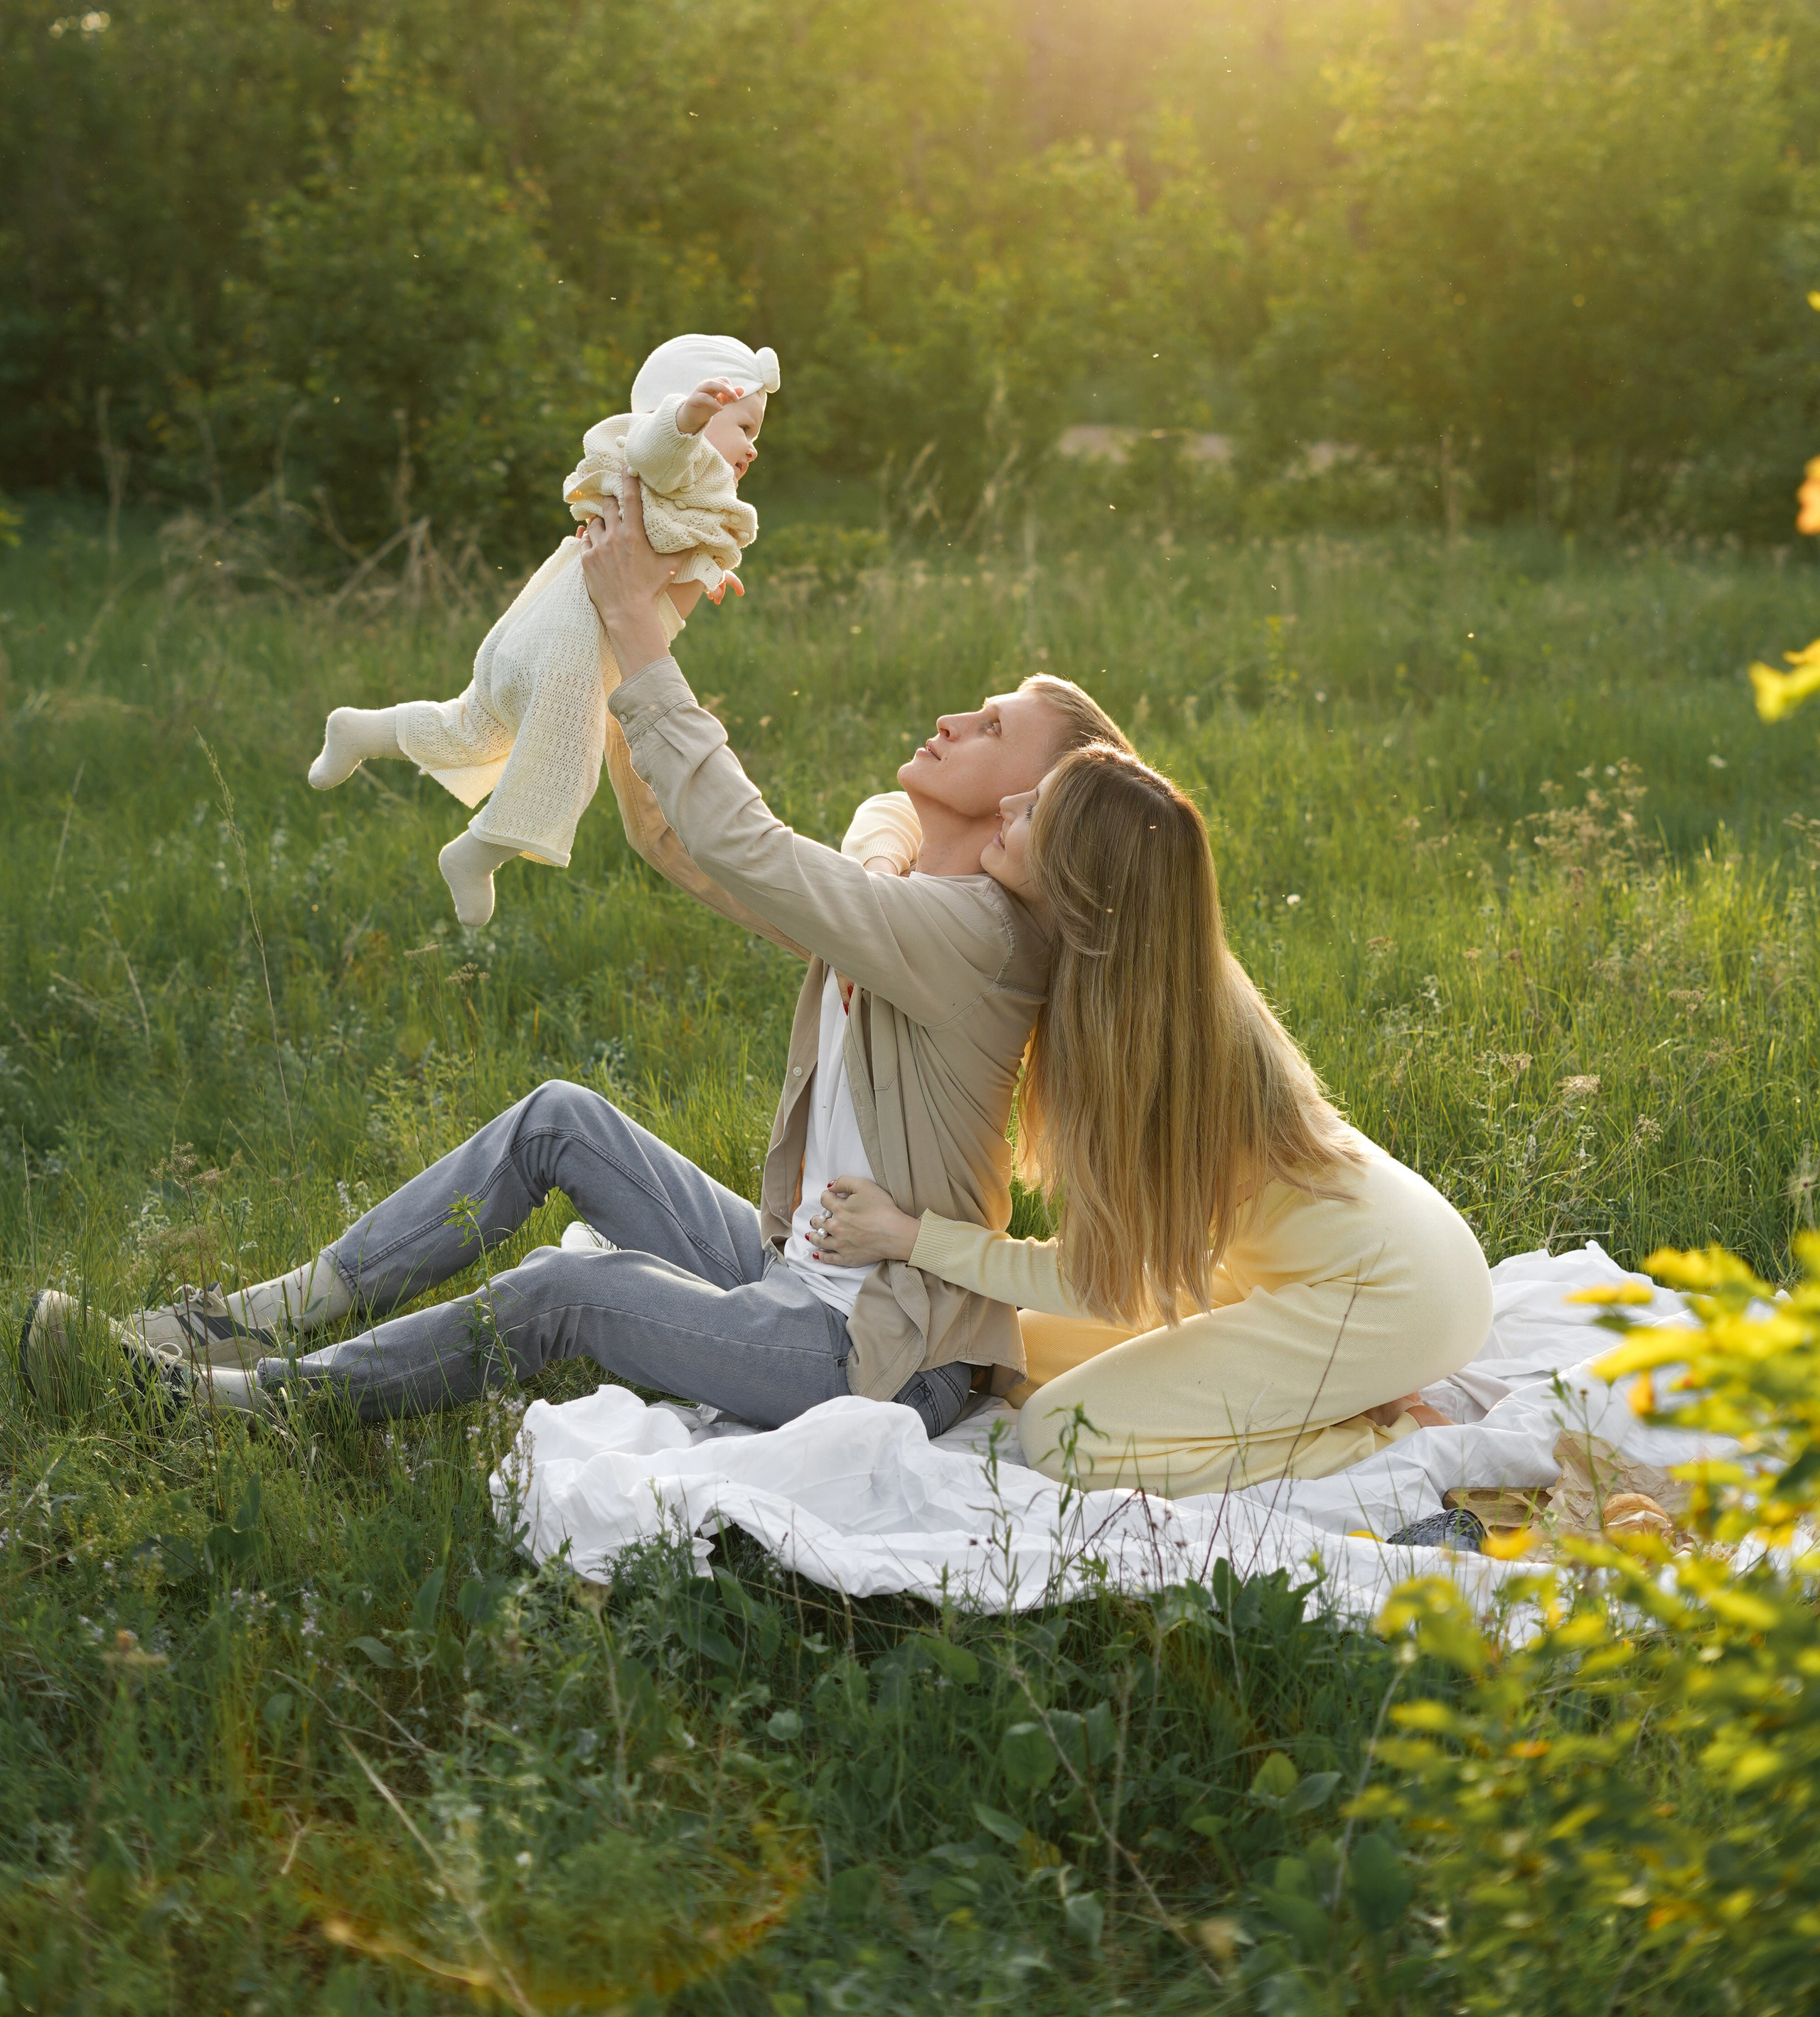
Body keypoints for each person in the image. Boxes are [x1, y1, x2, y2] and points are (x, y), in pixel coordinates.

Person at [19, 474, 1131, 1441]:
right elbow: (681, 844)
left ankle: (244, 1409)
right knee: (559, 1118)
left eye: (992, 729)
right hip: (800, 1273)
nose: (955, 719)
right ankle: (255, 1317)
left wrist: (641, 628)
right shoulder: (903, 901)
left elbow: (744, 842)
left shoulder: (977, 936)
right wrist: (601, 655)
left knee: (565, 1289)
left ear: (1036, 805)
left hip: (881, 1355)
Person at [808, 742, 1495, 1496]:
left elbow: (1095, 1284)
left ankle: (1394, 1441)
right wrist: (877, 890)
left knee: (1066, 1438)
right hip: (1319, 1269)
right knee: (1017, 1356)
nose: (1004, 806)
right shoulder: (1147, 977)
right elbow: (892, 809)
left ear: (1076, 872)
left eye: (1031, 810)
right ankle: (1349, 1393)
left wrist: (913, 1239)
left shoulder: (1145, 1048)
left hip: (1392, 1296)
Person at [304, 332, 780, 928]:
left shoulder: (686, 494)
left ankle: (362, 730)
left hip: (551, 622)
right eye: (745, 427)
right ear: (687, 408)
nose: (752, 448)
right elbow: (658, 450)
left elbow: (671, 542)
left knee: (475, 727)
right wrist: (685, 419)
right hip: (574, 643)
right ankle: (474, 854)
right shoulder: (671, 457)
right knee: (562, 767)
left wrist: (707, 572)